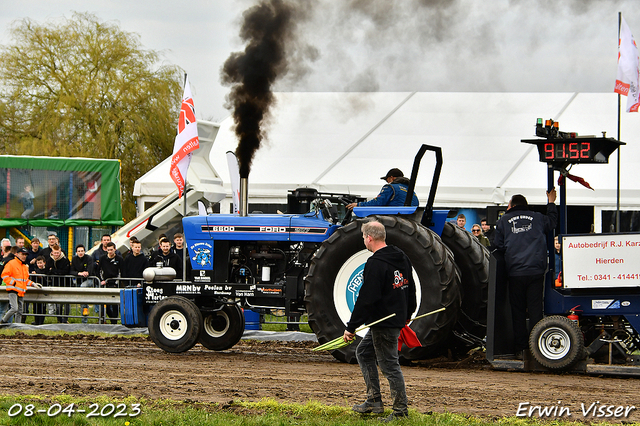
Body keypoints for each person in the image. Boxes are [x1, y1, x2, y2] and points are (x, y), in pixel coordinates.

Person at [342, 221, 416, 422]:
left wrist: (351, 327)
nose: (364, 241)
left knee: (390, 365)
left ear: (369, 238)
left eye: (363, 237)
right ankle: (374, 400)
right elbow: (411, 287)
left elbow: (367, 298)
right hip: (392, 319)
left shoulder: (375, 263)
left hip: (384, 322)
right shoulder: (401, 256)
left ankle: (400, 412)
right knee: (364, 353)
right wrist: (408, 313)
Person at [494, 189, 557, 359]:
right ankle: (537, 348)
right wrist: (551, 202)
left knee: (518, 312)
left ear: (511, 205)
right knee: (536, 310)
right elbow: (552, 222)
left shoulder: (503, 221)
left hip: (515, 272)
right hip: (536, 271)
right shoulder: (537, 217)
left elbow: (498, 245)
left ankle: (521, 349)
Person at [0, 248, 41, 324]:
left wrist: (33, 284)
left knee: (20, 311)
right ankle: (3, 321)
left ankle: (17, 327)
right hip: (13, 289)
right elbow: (4, 275)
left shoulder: (24, 266)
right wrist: (13, 283)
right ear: (17, 254)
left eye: (25, 255)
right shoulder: (11, 263)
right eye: (22, 254)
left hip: (21, 290)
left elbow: (25, 280)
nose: (24, 256)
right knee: (14, 308)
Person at [346, 169, 418, 210]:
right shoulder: (411, 190)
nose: (387, 182)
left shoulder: (391, 187)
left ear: (392, 178)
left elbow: (378, 203)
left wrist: (359, 205)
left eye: (387, 180)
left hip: (394, 217)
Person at [98, 241, 124, 324]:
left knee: (115, 304)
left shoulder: (119, 259)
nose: (110, 251)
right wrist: (102, 280)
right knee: (105, 304)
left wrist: (117, 282)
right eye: (108, 250)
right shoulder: (102, 258)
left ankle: (114, 321)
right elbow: (98, 270)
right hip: (105, 283)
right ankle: (110, 318)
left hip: (115, 284)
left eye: (111, 250)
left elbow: (121, 272)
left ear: (115, 249)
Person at [45, 244, 71, 323]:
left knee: (66, 303)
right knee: (58, 304)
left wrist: (53, 271)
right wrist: (54, 271)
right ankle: (59, 319)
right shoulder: (50, 260)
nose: (56, 255)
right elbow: (46, 271)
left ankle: (65, 319)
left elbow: (65, 271)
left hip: (65, 284)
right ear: (52, 252)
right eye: (55, 253)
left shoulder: (65, 260)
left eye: (58, 253)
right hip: (55, 284)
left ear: (60, 252)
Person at [71, 244, 95, 323]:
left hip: (89, 280)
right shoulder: (74, 259)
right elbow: (71, 271)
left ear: (84, 251)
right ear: (76, 252)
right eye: (79, 251)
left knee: (83, 288)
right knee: (82, 302)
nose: (80, 253)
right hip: (78, 281)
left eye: (82, 251)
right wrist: (79, 273)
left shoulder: (89, 258)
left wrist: (86, 273)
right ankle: (84, 318)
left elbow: (90, 270)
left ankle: (85, 320)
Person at [31, 256, 49, 325]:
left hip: (43, 290)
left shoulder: (46, 270)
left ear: (44, 263)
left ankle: (41, 321)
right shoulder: (35, 270)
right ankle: (36, 320)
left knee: (42, 307)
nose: (39, 265)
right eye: (38, 263)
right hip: (36, 290)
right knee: (35, 306)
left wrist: (40, 277)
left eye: (41, 263)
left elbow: (47, 281)